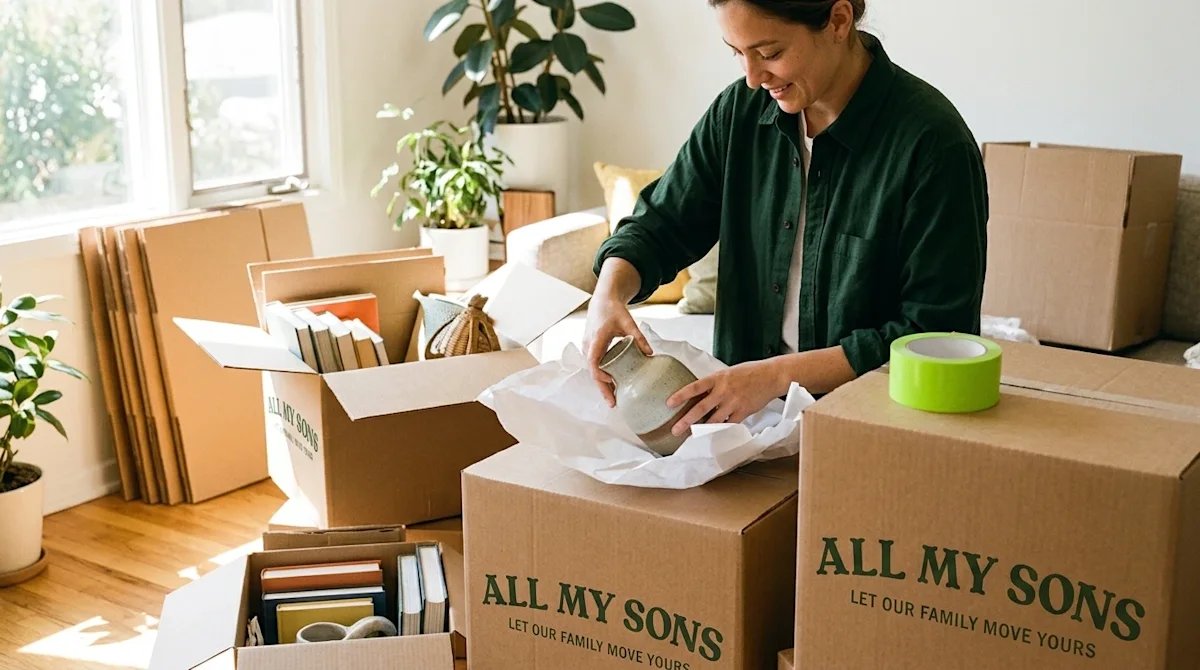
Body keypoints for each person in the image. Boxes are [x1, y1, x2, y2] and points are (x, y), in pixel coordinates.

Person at [583, 0, 988, 438]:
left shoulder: (933, 146)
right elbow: (660, 224)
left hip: (872, 435)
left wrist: (775, 377)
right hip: (743, 432)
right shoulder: (739, 114)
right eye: (737, 53)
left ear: (838, 20)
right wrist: (608, 292)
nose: (753, 77)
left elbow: (934, 337)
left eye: (770, 53)